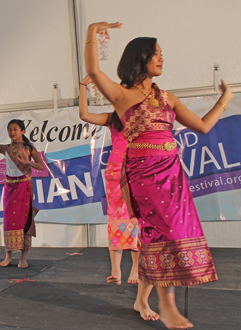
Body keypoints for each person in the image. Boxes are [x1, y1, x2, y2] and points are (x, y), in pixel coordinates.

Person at [85, 22, 233, 329]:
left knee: (172, 232)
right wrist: (91, 32)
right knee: (161, 231)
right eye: (156, 54)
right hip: (143, 172)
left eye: (162, 54)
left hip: (172, 171)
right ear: (140, 58)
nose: (162, 59)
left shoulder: (169, 97)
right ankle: (166, 305)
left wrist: (226, 100)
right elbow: (95, 72)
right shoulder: (121, 95)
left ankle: (143, 299)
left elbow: (203, 126)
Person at [78, 75, 141, 286]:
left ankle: (135, 266)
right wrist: (82, 87)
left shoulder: (142, 116)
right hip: (115, 171)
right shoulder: (112, 118)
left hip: (137, 170)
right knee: (116, 216)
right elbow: (84, 115)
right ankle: (116, 269)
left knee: (135, 218)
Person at [0, 117, 44, 268]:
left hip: (24, 187)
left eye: (15, 129)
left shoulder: (30, 148)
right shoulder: (6, 148)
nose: (12, 132)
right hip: (10, 188)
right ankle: (8, 256)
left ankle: (23, 258)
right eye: (9, 130)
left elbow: (41, 166)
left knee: (25, 221)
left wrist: (28, 163)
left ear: (23, 131)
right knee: (9, 222)